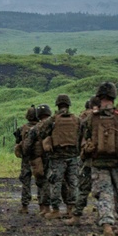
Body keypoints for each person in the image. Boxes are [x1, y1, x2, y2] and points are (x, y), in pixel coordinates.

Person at [80, 82, 118, 236]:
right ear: (114, 97)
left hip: (98, 163)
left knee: (104, 194)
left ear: (99, 97)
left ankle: (107, 228)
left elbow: (83, 136)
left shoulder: (91, 117)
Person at [38, 95, 81, 224]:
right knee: (73, 182)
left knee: (55, 182)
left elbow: (42, 132)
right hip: (73, 156)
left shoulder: (53, 120)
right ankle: (71, 209)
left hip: (57, 157)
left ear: (57, 105)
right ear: (68, 105)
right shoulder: (76, 120)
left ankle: (55, 210)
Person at [71, 98, 99, 223]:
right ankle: (104, 217)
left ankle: (76, 216)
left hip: (87, 158)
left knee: (83, 188)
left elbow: (78, 138)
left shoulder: (84, 118)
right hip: (103, 160)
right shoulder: (107, 117)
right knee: (104, 190)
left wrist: (80, 154)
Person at [15, 106, 45, 214]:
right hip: (38, 158)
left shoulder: (22, 128)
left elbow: (18, 142)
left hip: (26, 159)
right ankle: (42, 206)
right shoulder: (41, 127)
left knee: (25, 181)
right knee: (41, 181)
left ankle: (25, 206)